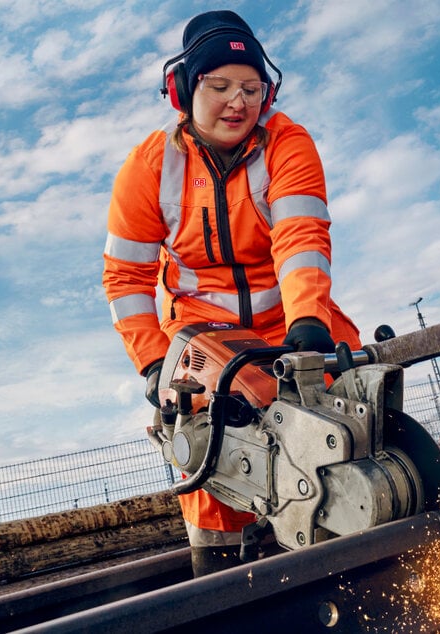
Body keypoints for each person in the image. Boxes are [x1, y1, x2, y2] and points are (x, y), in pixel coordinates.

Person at [102, 9, 361, 577]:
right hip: (201, 336)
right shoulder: (150, 166)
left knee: (348, 408)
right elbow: (126, 278)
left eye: (250, 88)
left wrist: (309, 327)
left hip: (291, 321)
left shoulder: (288, 144)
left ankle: (359, 543)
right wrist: (151, 363)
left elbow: (301, 237)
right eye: (219, 87)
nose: (236, 102)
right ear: (184, 91)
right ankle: (223, 576)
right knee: (208, 442)